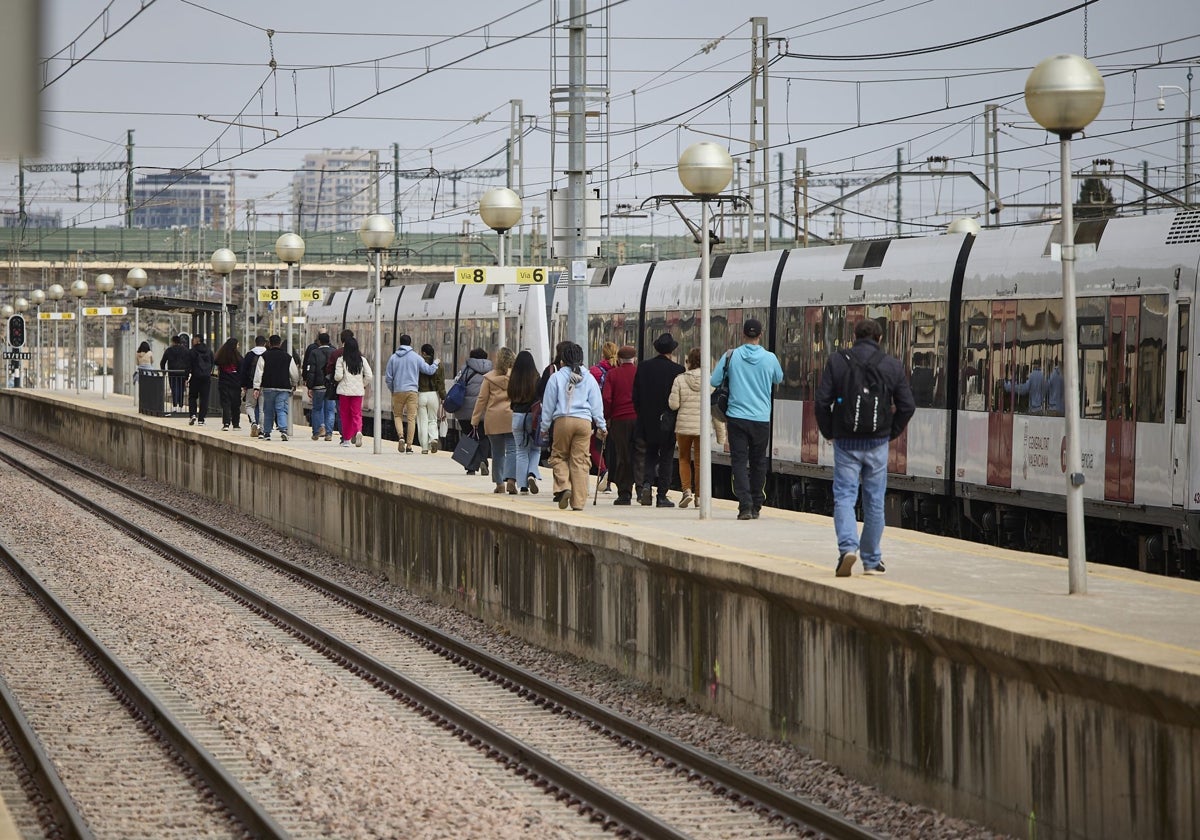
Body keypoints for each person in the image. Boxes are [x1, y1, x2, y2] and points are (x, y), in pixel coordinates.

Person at [815, 318, 915, 577]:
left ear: (855, 336)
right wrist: (889, 432)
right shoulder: (891, 365)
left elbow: (821, 402)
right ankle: (871, 561)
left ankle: (848, 548)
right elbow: (907, 406)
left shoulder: (837, 361)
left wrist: (830, 431)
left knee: (845, 496)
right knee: (874, 500)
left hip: (846, 441)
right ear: (879, 338)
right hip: (877, 442)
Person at [712, 318, 784, 520]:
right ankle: (757, 504)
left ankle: (745, 505)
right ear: (760, 335)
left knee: (739, 461)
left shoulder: (731, 356)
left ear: (743, 334)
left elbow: (714, 380)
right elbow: (779, 378)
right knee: (759, 461)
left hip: (736, 417)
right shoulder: (770, 358)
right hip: (761, 418)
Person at [539, 343, 607, 511]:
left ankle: (563, 487)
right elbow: (597, 405)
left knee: (559, 456)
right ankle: (578, 502)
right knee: (581, 461)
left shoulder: (556, 377)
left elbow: (548, 405)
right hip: (584, 423)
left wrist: (544, 427)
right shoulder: (589, 378)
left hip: (563, 420)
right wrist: (601, 425)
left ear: (562, 361)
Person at [668, 346, 726, 510]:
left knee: (684, 459)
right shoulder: (711, 381)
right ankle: (700, 497)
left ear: (689, 362)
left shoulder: (680, 379)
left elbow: (673, 405)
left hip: (684, 427)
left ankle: (686, 491)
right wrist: (721, 435)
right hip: (703, 428)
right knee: (701, 462)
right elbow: (715, 409)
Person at [632, 333, 685, 507]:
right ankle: (662, 495)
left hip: (647, 421)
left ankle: (646, 485)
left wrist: (643, 415)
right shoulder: (678, 370)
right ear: (672, 350)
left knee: (650, 454)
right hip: (668, 421)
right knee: (667, 458)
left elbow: (635, 396)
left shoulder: (643, 367)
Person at [384, 334, 440, 453]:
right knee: (411, 418)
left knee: (398, 416)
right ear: (410, 343)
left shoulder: (393, 358)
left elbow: (388, 378)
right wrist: (435, 363)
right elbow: (429, 371)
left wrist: (393, 389)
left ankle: (401, 437)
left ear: (400, 342)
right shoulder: (416, 357)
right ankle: (409, 446)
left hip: (398, 391)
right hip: (412, 392)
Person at [472, 347, 517, 494]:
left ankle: (499, 484)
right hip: (511, 417)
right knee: (512, 450)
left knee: (497, 453)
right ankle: (511, 480)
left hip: (493, 419)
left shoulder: (489, 378)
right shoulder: (516, 377)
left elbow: (481, 400)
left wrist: (475, 419)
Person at [602, 344, 641, 505]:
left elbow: (606, 398)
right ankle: (641, 490)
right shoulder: (639, 373)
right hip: (638, 419)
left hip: (619, 420)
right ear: (634, 359)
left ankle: (624, 493)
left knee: (622, 456)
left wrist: (607, 416)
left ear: (618, 359)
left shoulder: (612, 374)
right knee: (639, 455)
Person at [449, 348, 493, 475]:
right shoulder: (491, 371)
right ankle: (484, 460)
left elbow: (456, 384)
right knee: (483, 437)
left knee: (469, 436)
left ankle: (471, 467)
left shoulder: (465, 370)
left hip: (465, 412)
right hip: (484, 411)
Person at [508, 349, 543, 494]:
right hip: (532, 417)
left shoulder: (513, 378)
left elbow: (510, 396)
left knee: (520, 451)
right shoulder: (536, 378)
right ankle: (532, 474)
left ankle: (522, 487)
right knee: (535, 448)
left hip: (517, 416)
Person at [252, 334, 300, 441]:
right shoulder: (288, 357)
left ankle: (267, 433)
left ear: (269, 343)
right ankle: (283, 430)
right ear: (280, 343)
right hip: (283, 387)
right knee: (281, 409)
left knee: (268, 410)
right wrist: (294, 383)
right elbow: (294, 373)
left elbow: (259, 373)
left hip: (268, 387)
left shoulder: (264, 356)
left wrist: (256, 388)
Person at [588, 341, 618, 484]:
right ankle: (613, 478)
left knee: (594, 446)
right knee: (614, 448)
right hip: (617, 414)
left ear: (602, 354)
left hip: (597, 414)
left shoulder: (595, 371)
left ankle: (604, 470)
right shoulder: (619, 369)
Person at [334, 336, 372, 447]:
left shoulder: (341, 360)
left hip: (344, 392)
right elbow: (369, 376)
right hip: (358, 392)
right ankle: (358, 430)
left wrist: (340, 378)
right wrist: (362, 384)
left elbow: (338, 376)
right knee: (357, 414)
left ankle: (346, 440)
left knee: (345, 415)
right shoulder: (362, 360)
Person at [303, 331, 336, 441]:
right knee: (330, 410)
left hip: (318, 386)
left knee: (317, 409)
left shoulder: (314, 353)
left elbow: (311, 372)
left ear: (319, 341)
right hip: (331, 386)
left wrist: (309, 386)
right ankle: (329, 434)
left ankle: (317, 432)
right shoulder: (334, 352)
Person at [416, 343, 446, 453]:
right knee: (433, 420)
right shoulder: (439, 365)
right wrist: (443, 397)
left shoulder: (418, 363)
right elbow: (441, 383)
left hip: (421, 395)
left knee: (422, 421)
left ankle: (424, 447)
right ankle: (433, 438)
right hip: (434, 395)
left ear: (423, 352)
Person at [240, 334, 267, 437]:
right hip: (264, 386)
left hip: (251, 385)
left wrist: (244, 385)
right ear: (264, 343)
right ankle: (261, 429)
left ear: (255, 343)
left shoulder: (249, 355)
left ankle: (253, 422)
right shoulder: (267, 354)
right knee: (262, 409)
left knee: (249, 405)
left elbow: (244, 371)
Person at [213, 338, 243, 431]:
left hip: (223, 383)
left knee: (225, 403)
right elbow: (242, 371)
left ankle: (226, 423)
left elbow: (215, 369)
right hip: (235, 384)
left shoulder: (220, 357)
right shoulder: (239, 358)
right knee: (236, 404)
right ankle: (236, 424)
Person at [185, 334, 214, 425]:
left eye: (193, 339)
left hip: (195, 377)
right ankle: (201, 419)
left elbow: (188, 365)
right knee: (204, 398)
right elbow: (213, 363)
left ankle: (193, 415)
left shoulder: (192, 351)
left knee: (192, 397)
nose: (192, 341)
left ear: (197, 340)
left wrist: (186, 378)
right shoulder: (209, 351)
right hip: (206, 378)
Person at [161, 334, 189, 415]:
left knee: (174, 389)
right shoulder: (185, 350)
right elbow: (188, 362)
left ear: (173, 341)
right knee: (181, 389)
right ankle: (180, 406)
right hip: (182, 373)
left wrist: (163, 371)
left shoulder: (169, 350)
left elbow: (163, 362)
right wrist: (187, 373)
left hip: (172, 372)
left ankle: (174, 406)